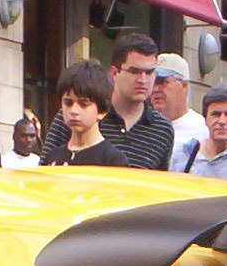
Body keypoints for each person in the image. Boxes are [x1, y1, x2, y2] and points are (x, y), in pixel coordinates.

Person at [36, 33, 174, 170]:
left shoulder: (163, 130)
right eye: (134, 71)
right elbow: (45, 171)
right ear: (114, 73)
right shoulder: (74, 116)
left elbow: (159, 186)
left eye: (149, 72)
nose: (143, 80)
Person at [39, 60, 130, 168]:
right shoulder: (52, 157)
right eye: (68, 103)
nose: (74, 111)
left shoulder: (113, 160)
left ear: (102, 111)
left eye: (83, 104)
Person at [153, 52, 207, 172]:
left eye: (163, 82)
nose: (156, 89)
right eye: (153, 82)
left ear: (184, 85)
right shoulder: (143, 125)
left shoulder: (202, 129)